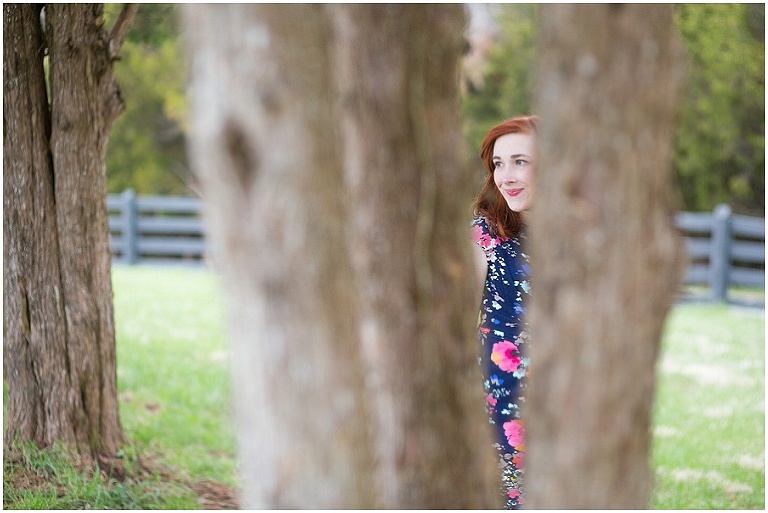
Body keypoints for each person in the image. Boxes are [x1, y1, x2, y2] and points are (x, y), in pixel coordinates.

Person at [470, 115, 537, 509]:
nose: (505, 176)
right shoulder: (486, 235)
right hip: (501, 410)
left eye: (520, 161)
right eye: (498, 163)